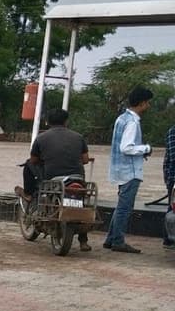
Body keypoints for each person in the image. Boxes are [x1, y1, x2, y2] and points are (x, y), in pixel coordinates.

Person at [18, 107, 93, 250]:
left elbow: (34, 160)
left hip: (54, 179)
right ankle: (83, 240)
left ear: (47, 122)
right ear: (66, 121)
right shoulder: (78, 137)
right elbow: (85, 160)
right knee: (81, 203)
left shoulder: (41, 138)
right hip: (77, 178)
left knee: (28, 165)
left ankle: (28, 193)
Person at [102, 86, 154, 253]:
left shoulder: (121, 118)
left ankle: (111, 238)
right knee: (125, 207)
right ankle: (118, 241)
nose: (148, 107)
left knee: (121, 206)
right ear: (141, 103)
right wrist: (145, 149)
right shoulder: (132, 122)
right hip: (130, 171)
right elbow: (126, 147)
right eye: (147, 103)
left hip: (119, 170)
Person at [163, 122, 175, 250]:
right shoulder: (173, 132)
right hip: (173, 177)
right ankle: (168, 239)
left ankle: (168, 238)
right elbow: (173, 156)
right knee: (172, 208)